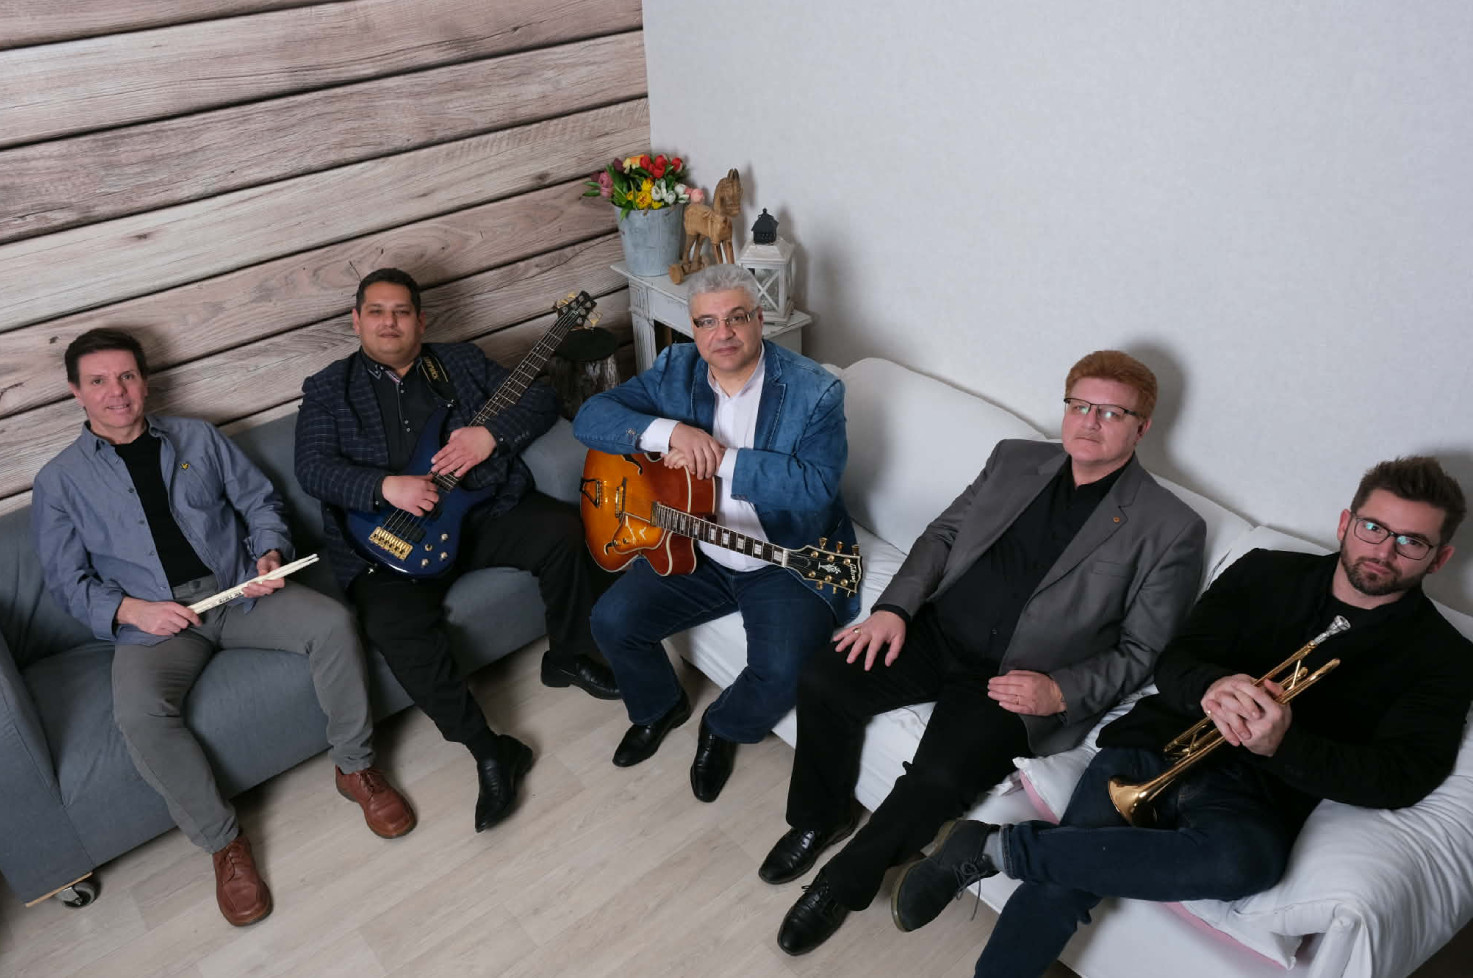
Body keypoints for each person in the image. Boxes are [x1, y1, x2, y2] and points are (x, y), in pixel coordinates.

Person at [890, 456, 1473, 978]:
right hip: (1159, 743)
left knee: (1246, 863)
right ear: (1346, 523)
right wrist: (1213, 686)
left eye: (1411, 542)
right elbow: (1177, 658)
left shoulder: (1444, 658)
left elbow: (1402, 776)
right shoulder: (1266, 571)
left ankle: (994, 849)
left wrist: (1284, 745)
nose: (1384, 551)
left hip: (1260, 791)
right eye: (1374, 528)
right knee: (1060, 889)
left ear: (1440, 557)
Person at [769, 350, 1207, 955]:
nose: (1089, 422)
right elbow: (944, 535)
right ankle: (821, 817)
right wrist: (895, 608)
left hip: (1018, 681)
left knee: (941, 777)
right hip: (937, 632)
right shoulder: (1013, 459)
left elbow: (1144, 648)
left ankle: (839, 886)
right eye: (1079, 405)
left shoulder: (1170, 525)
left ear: (1142, 427)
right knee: (825, 677)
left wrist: (1061, 692)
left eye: (1111, 413)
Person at [33, 328, 415, 927]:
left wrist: (268, 555)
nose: (117, 392)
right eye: (99, 381)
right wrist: (133, 611)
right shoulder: (59, 481)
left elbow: (260, 503)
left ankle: (355, 766)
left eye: (127, 376)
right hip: (155, 623)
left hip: (238, 592)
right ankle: (223, 843)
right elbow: (66, 582)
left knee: (333, 624)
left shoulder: (198, 437)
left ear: (145, 381)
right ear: (76, 393)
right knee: (139, 715)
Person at [294, 268, 618, 833]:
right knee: (393, 626)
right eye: (376, 312)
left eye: (401, 312)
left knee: (566, 532)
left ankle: (568, 655)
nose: (389, 323)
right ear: (356, 321)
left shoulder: (460, 362)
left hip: (479, 513)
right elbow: (313, 469)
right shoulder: (328, 389)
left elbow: (540, 399)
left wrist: (490, 436)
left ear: (421, 321)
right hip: (388, 542)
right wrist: (385, 487)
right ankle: (489, 750)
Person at [573, 263, 857, 803]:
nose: (722, 333)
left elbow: (815, 487)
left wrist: (721, 459)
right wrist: (670, 432)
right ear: (693, 328)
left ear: (760, 320)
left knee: (785, 672)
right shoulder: (675, 367)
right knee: (611, 620)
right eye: (707, 322)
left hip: (782, 556)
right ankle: (660, 707)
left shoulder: (816, 390)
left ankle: (722, 727)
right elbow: (592, 417)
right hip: (696, 544)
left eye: (736, 318)